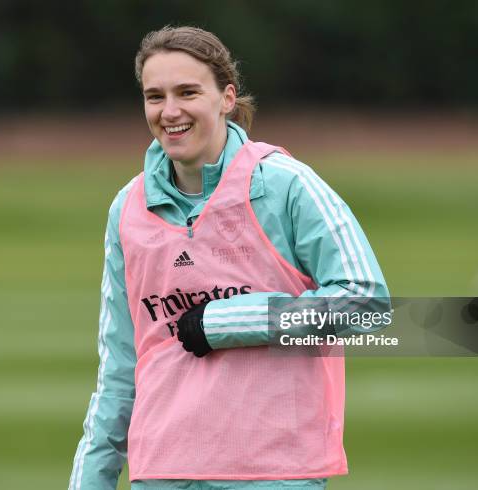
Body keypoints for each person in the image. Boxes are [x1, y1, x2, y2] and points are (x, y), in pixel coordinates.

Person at [69, 26, 389, 490]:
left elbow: (366, 300)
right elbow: (119, 370)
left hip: (275, 470)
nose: (170, 111)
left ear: (226, 97)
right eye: (154, 96)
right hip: (162, 470)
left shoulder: (286, 184)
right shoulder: (127, 208)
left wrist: (225, 321)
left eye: (188, 92)